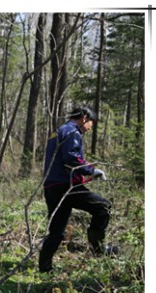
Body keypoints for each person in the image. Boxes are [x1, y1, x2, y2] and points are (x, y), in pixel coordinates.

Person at [39, 105, 111, 273]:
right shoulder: (72, 132)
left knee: (56, 231)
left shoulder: (59, 131)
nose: (89, 128)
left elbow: (63, 162)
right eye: (90, 124)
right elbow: (71, 159)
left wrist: (85, 175)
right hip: (65, 187)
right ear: (85, 117)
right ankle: (99, 249)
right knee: (103, 206)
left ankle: (45, 268)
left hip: (52, 186)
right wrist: (91, 170)